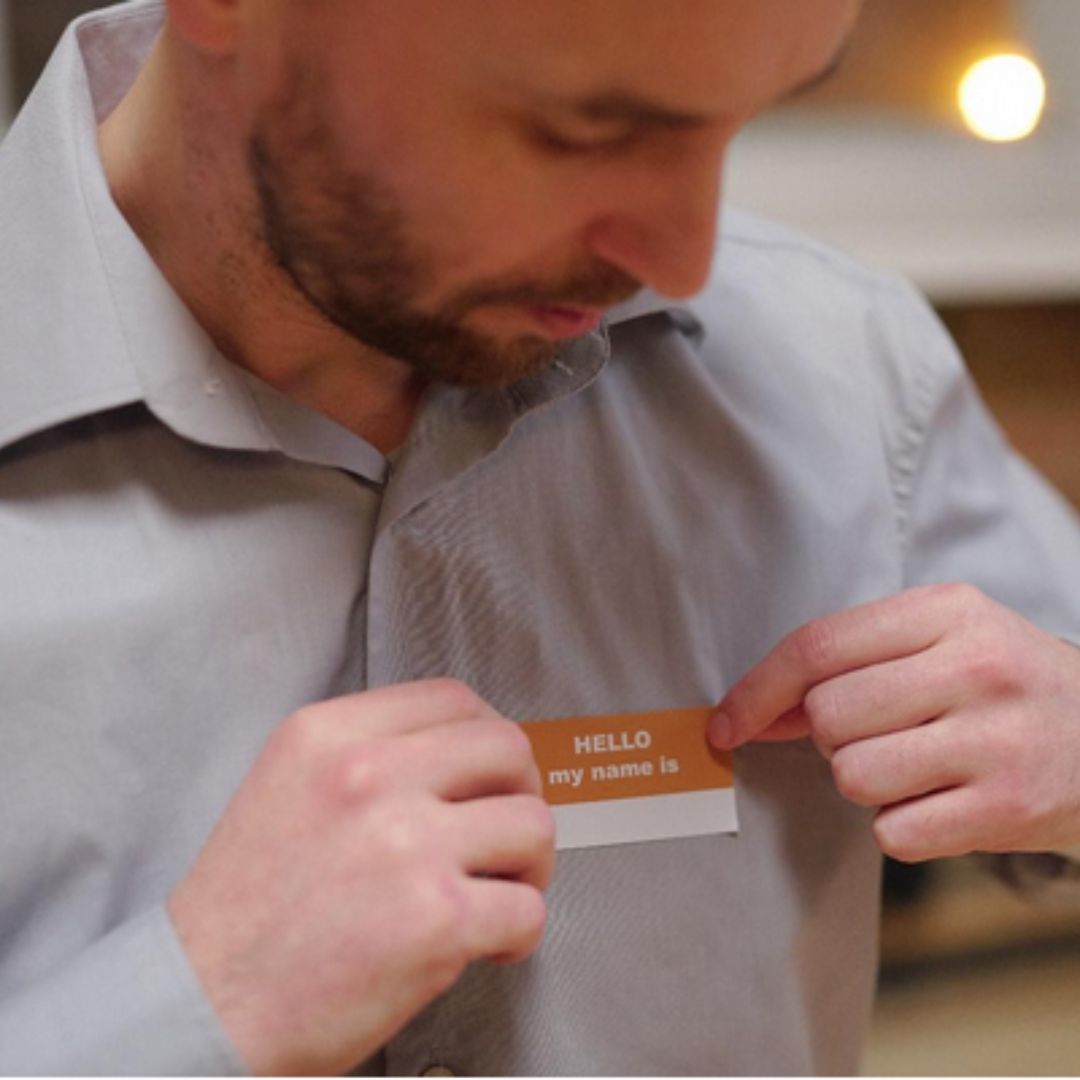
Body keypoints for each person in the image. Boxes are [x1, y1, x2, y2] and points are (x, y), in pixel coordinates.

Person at [2, 0, 1080, 1073]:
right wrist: (189, 1011)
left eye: (738, 124)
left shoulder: (846, 367)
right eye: (584, 132)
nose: (686, 254)